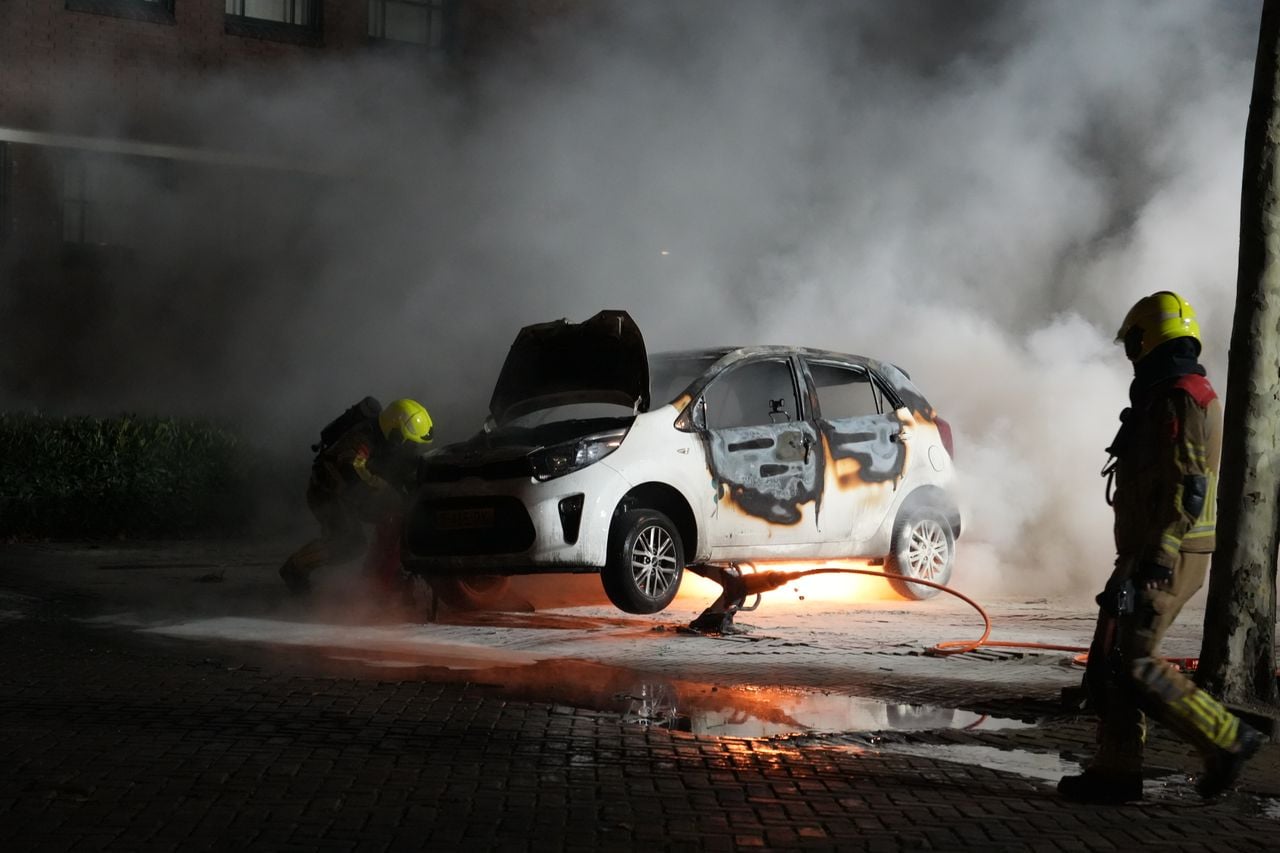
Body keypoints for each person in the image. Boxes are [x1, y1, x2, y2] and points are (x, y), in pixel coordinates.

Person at [1058, 291, 1262, 805]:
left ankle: (1226, 739)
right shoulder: (1162, 395)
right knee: (1116, 658)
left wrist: (1158, 556)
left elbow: (1189, 484)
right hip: (1146, 551)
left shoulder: (1181, 397)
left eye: (1132, 341)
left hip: (1169, 552)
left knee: (1140, 662)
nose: (1130, 352)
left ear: (1146, 339)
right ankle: (1116, 771)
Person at [280, 397, 433, 596]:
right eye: (410, 443)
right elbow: (352, 467)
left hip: (348, 495)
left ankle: (380, 574)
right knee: (348, 543)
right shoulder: (363, 438)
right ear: (396, 434)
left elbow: (395, 468)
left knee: (395, 515)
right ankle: (295, 569)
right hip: (327, 494)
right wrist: (384, 487)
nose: (411, 448)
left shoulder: (386, 439)